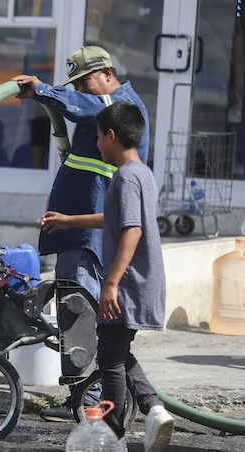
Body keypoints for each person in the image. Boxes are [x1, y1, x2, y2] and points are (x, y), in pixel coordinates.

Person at [13, 46, 152, 422]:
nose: (82, 91)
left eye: (85, 82)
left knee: (83, 318)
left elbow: (83, 106)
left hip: (89, 238)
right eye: (76, 85)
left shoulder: (118, 108)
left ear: (107, 73)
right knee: (83, 318)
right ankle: (105, 400)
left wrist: (43, 90)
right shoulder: (103, 105)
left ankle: (97, 403)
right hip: (77, 229)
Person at [78, 101, 174, 451]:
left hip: (129, 283)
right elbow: (117, 218)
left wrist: (112, 282)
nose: (97, 144)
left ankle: (112, 435)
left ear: (112, 135)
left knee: (109, 357)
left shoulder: (126, 176)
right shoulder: (142, 172)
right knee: (116, 353)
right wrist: (69, 221)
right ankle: (154, 409)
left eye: (99, 137)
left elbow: (132, 229)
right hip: (139, 281)